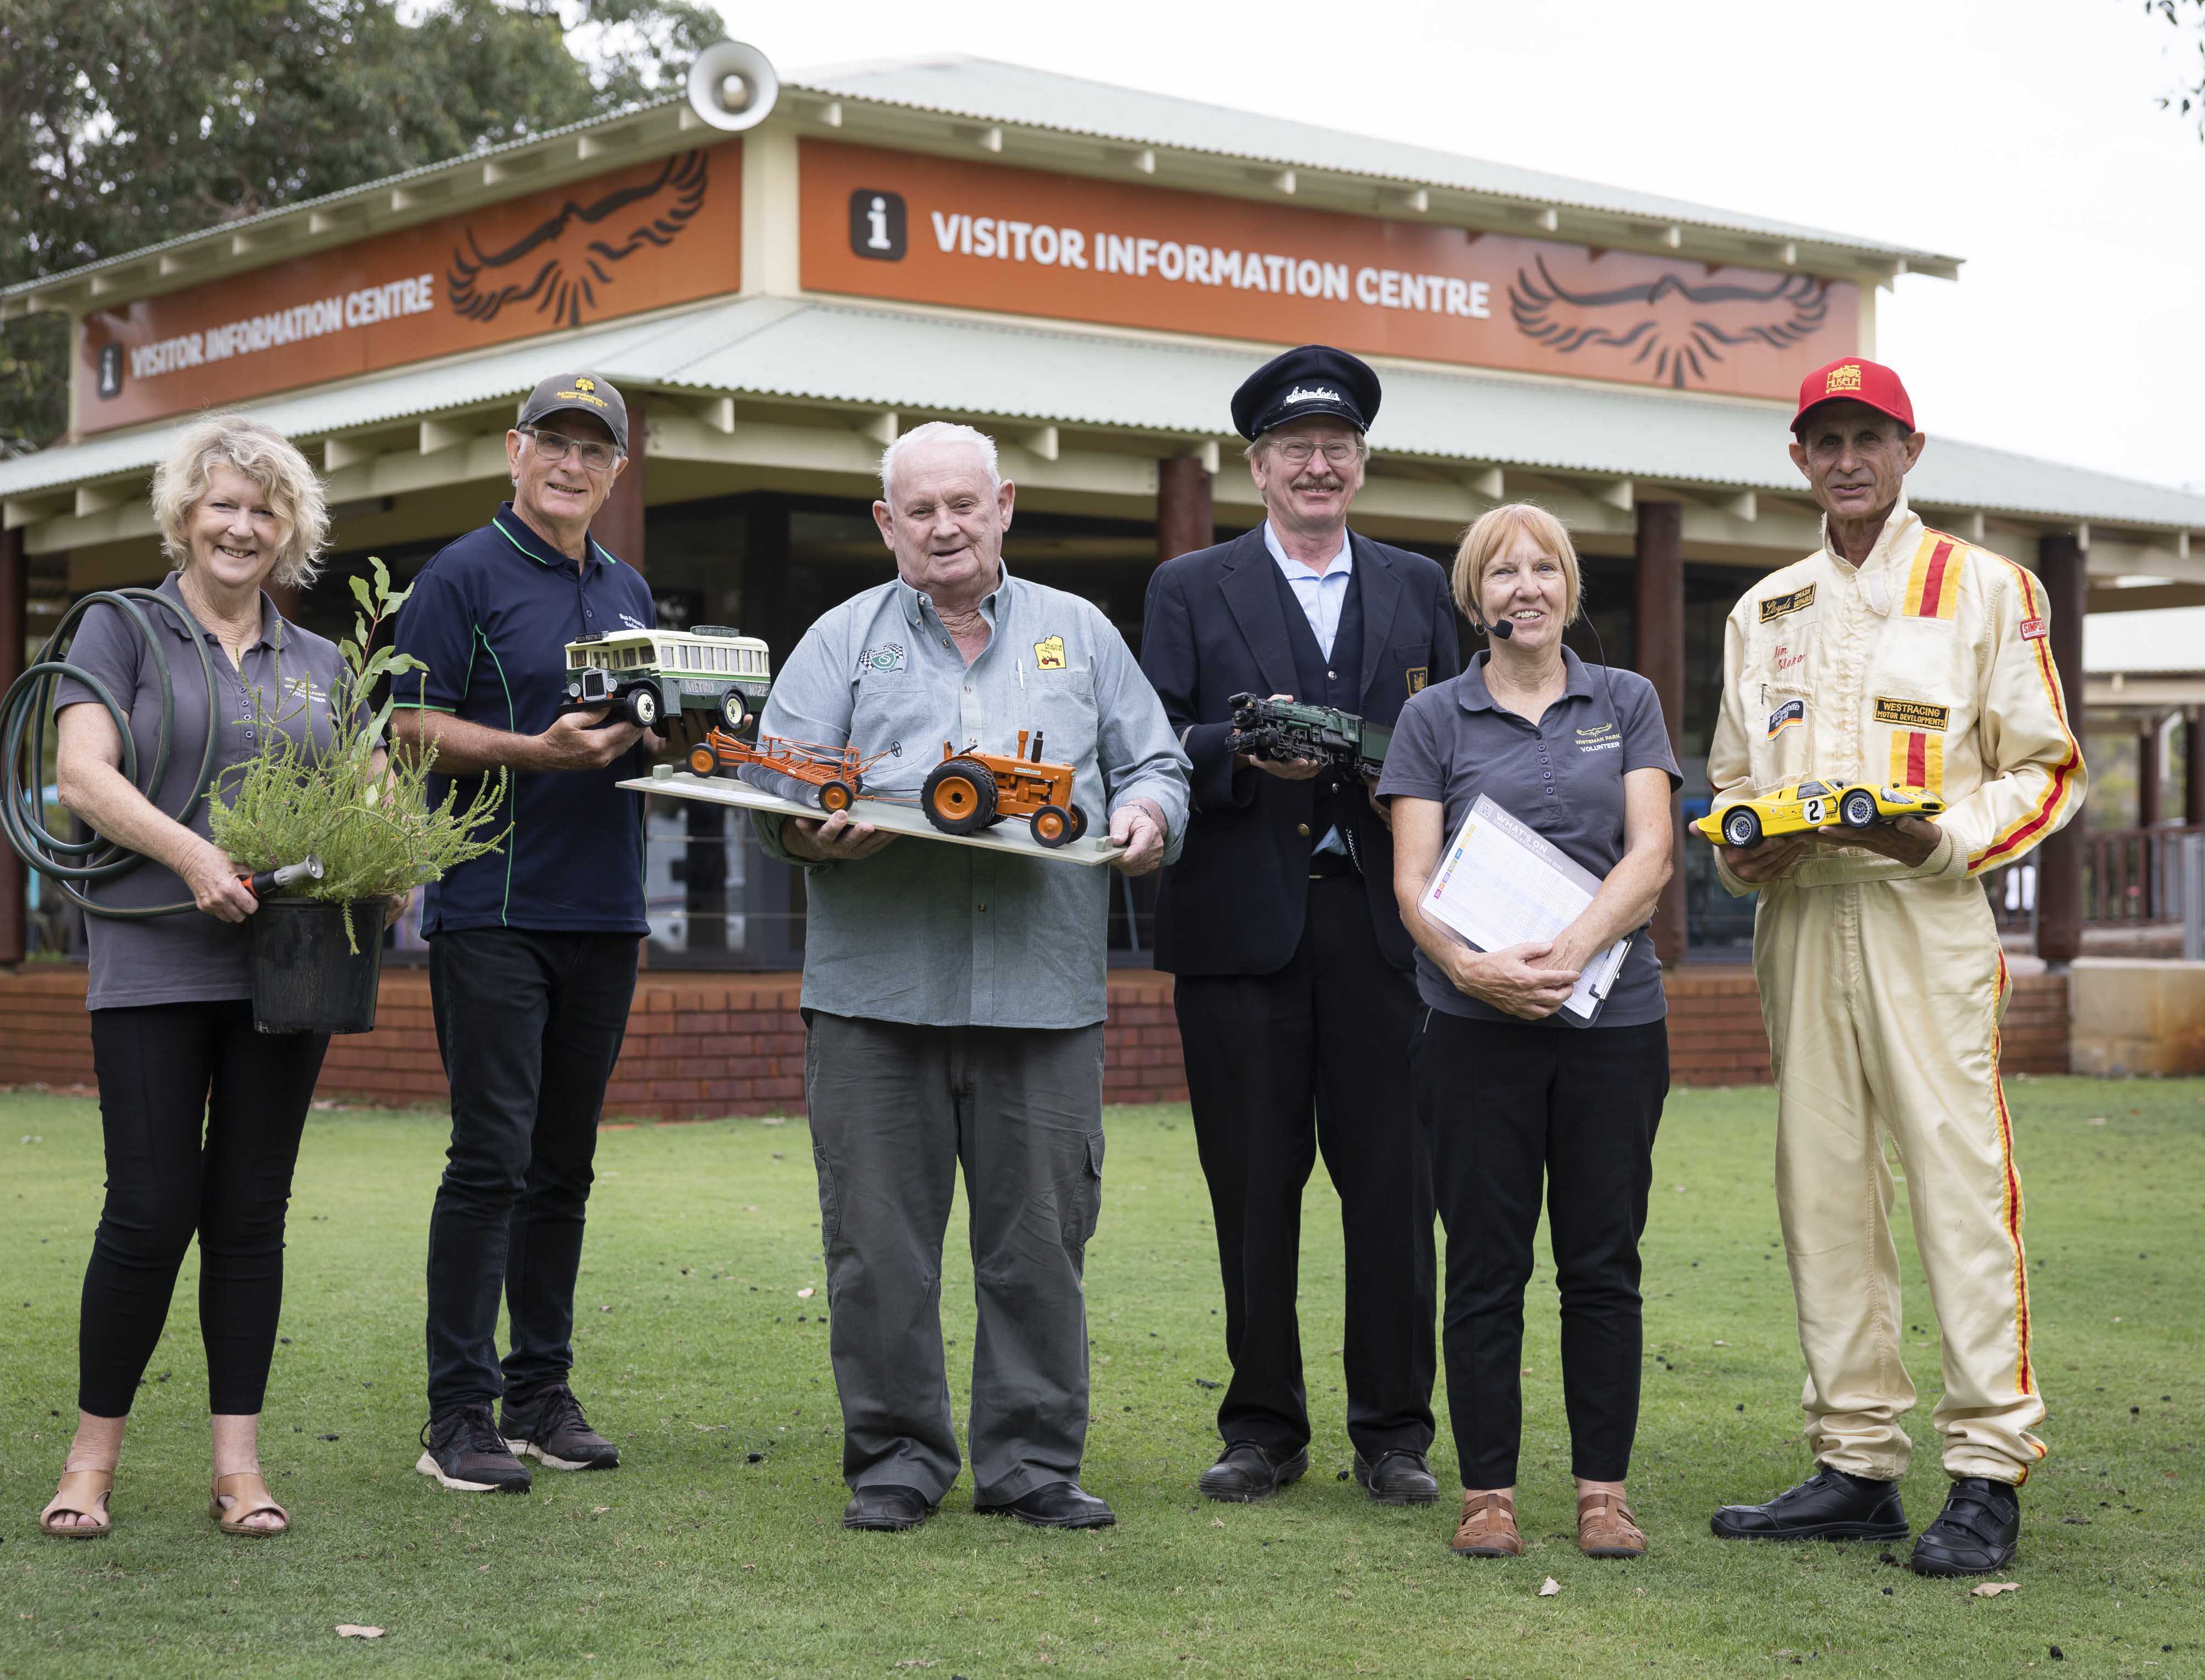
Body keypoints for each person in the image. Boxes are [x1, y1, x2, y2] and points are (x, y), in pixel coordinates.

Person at [749, 421, 1188, 1533]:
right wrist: (811, 837)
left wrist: (1147, 814)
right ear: (885, 524)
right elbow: (776, 790)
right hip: (871, 998)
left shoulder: (1080, 635)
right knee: (875, 1251)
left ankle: (1032, 1465)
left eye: (963, 503)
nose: (944, 525)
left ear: (1002, 505)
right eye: (919, 509)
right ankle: (895, 1458)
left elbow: (1153, 761)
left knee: (1039, 1246)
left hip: (1041, 997)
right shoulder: (839, 640)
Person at [1704, 357, 2085, 1576]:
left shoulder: (1982, 587)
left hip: (1923, 907)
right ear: (1797, 459)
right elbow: (1725, 786)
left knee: (1954, 1179)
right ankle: (1854, 1458)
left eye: (1869, 436)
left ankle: (1986, 1464)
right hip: (1801, 916)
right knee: (1820, 1186)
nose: (1847, 459)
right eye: (1825, 440)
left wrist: (1944, 836)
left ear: (1910, 451)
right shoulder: (1764, 610)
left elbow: (2044, 768)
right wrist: (1741, 854)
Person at [40, 415, 381, 1538]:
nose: (241, 526)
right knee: (147, 1208)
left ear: (292, 531)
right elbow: (82, 773)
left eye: (263, 508)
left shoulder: (324, 664)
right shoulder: (119, 628)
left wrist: (388, 861)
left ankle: (238, 1466)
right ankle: (91, 1461)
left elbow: (370, 791)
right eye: (221, 504)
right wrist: (191, 854)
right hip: (152, 956)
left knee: (249, 1212)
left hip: (284, 974)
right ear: (183, 516)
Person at [1140, 345, 1462, 1506]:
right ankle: (1261, 1427)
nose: (1315, 466)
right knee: (1251, 1184)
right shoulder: (1187, 586)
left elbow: (1461, 737)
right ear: (1257, 467)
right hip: (1239, 933)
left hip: (1387, 928)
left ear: (1360, 465)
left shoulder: (1421, 584)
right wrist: (1241, 755)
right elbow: (1152, 742)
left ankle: (1394, 1434)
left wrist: (1412, 788)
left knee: (1392, 1186)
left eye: (1335, 448)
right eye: (1293, 450)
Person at [389, 372, 691, 1493]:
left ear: (617, 471)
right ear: (514, 452)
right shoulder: (460, 574)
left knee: (562, 1165)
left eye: (593, 451)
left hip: (605, 910)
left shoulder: (627, 584)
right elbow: (405, 726)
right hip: (493, 909)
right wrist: (534, 751)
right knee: (490, 1161)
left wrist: (672, 740)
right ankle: (455, 1416)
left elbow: (644, 725)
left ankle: (538, 1396)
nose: (572, 465)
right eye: (552, 444)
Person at [1378, 503, 1679, 1560]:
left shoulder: (1629, 700)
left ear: (1570, 588)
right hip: (1473, 1026)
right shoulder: (1433, 719)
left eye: (1543, 567)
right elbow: (1413, 882)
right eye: (1501, 572)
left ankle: (1604, 1494)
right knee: (1486, 1264)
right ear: (1476, 598)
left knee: (1602, 1262)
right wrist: (1468, 967)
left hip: (1616, 1021)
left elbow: (1650, 857)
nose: (1526, 587)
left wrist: (1572, 950)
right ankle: (1489, 1495)